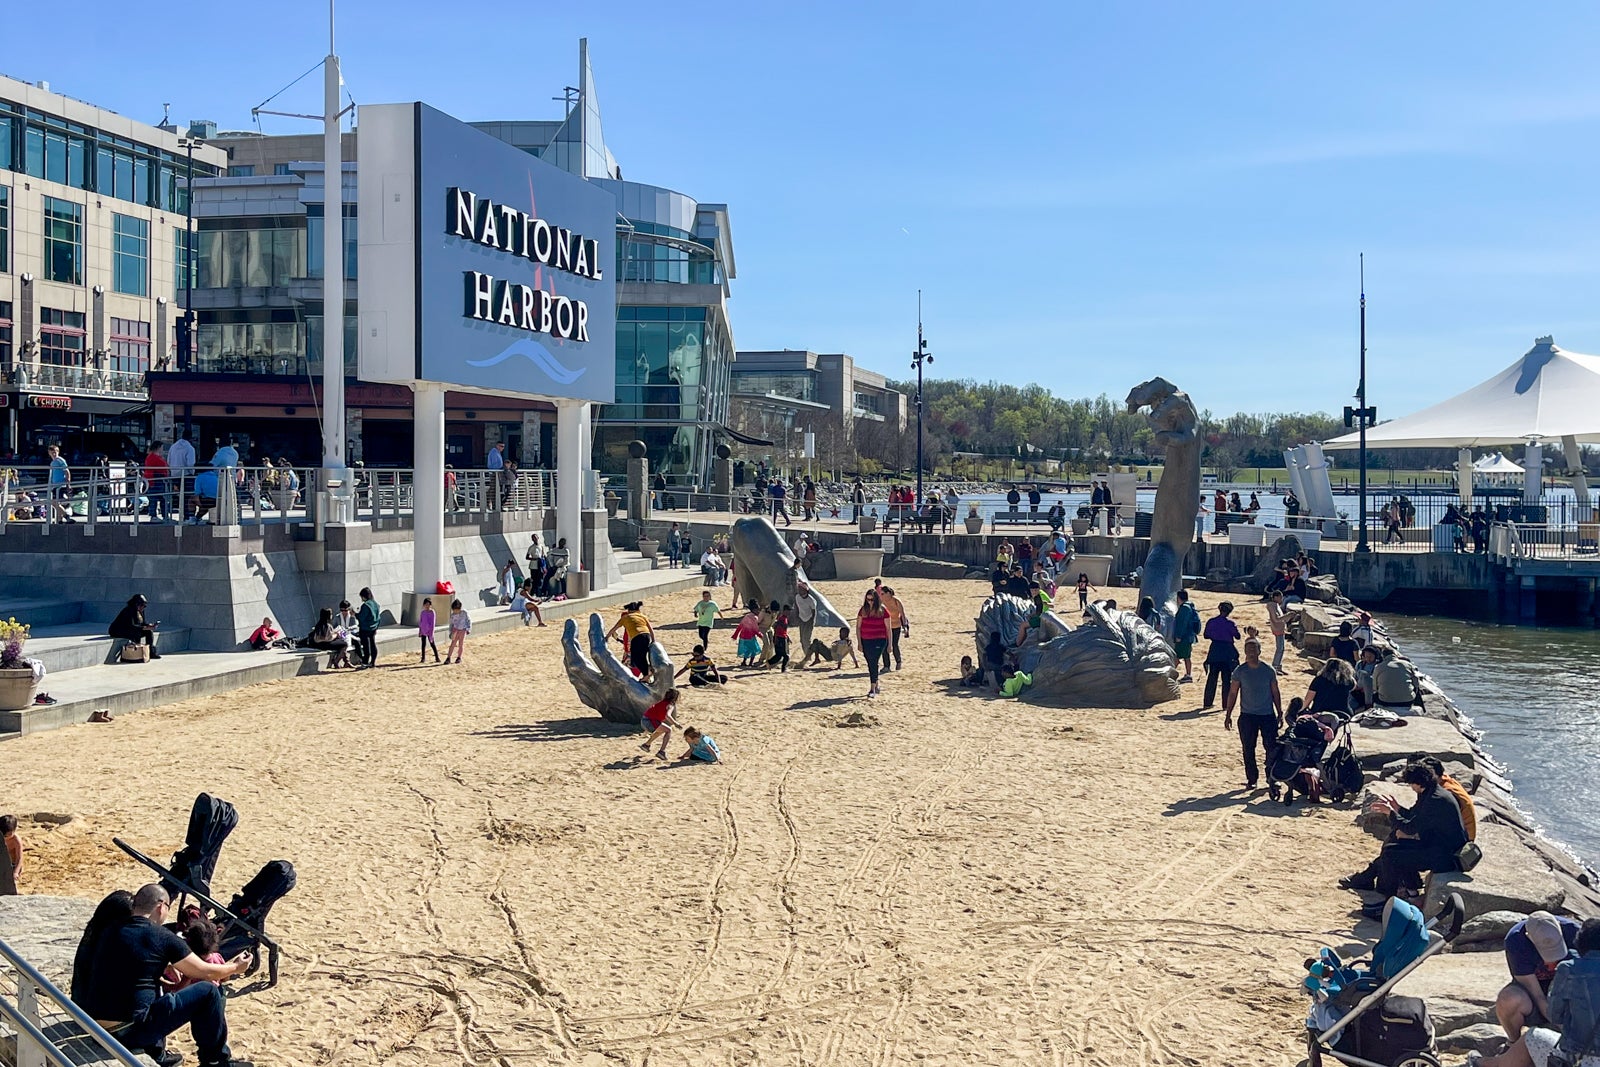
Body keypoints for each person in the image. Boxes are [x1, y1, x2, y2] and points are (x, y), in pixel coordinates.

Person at [78, 883, 251, 1067]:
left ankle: (157, 1052)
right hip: (129, 1032)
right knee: (208, 992)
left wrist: (163, 967)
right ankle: (216, 1061)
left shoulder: (111, 930)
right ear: (161, 906)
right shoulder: (161, 936)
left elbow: (131, 965)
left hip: (96, 1026)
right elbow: (204, 971)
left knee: (152, 991)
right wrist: (235, 967)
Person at [1340, 762, 1467, 917]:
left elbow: (1410, 828)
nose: (1410, 787)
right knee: (1393, 847)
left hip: (1445, 856)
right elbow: (1415, 817)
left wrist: (1391, 813)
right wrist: (1397, 808)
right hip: (1437, 846)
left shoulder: (1435, 800)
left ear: (1418, 783)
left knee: (1392, 855)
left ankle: (1389, 901)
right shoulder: (1431, 792)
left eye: (1411, 784)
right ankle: (1411, 895)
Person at [1477, 917, 1600, 1067]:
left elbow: (1555, 1014)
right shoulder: (1517, 940)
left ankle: (1486, 1064)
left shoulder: (1568, 968)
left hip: (1582, 1058)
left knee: (1532, 1037)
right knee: (1510, 998)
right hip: (1540, 997)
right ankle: (1511, 1045)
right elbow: (1535, 993)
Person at [1494, 911, 1585, 1044]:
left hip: (1569, 989)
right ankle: (1514, 1044)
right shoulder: (1516, 941)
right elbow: (1537, 995)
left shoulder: (1574, 931)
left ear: (1560, 928)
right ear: (1529, 937)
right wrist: (1564, 1029)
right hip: (1536, 991)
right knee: (1509, 999)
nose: (1551, 963)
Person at [1223, 638, 1283, 790]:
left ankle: (1272, 776)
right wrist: (1228, 713)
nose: (1250, 653)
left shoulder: (1268, 670)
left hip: (1267, 715)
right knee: (1248, 748)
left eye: (1253, 649)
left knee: (1271, 747)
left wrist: (1280, 711)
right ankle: (1252, 779)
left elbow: (1275, 692)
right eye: (1248, 650)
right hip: (1247, 716)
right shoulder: (1240, 671)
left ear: (1259, 651)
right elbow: (1233, 693)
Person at [1201, 602, 1241, 709]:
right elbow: (1237, 636)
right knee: (1226, 679)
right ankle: (1225, 704)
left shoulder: (1211, 621)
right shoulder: (1230, 623)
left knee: (1212, 678)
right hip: (1227, 652)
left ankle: (1207, 703)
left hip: (1215, 650)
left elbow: (1206, 635)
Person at [608, 602, 656, 681]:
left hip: (630, 651)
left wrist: (607, 637)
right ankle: (647, 676)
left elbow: (616, 631)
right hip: (643, 639)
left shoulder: (628, 623)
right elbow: (650, 630)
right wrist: (653, 640)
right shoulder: (639, 619)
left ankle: (647, 674)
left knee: (632, 667)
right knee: (641, 660)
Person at [857, 588, 892, 699]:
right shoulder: (863, 610)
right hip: (865, 639)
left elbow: (888, 628)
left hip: (879, 639)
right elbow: (858, 627)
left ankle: (872, 688)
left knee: (874, 661)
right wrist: (859, 642)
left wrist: (890, 644)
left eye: (872, 600)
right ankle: (876, 684)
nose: (870, 602)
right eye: (868, 600)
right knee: (870, 662)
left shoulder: (883, 611)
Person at [109, 595, 161, 659]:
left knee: (149, 632)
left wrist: (149, 625)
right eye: (142, 605)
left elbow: (142, 623)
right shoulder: (128, 611)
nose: (143, 607)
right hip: (118, 630)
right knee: (136, 633)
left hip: (131, 629)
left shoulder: (140, 611)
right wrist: (144, 628)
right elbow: (131, 626)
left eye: (144, 606)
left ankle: (151, 652)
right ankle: (137, 653)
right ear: (136, 604)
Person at [1372, 644, 1422, 709]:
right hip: (1407, 701)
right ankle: (1421, 708)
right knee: (1415, 689)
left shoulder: (1378, 667)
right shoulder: (1407, 664)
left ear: (1383, 656)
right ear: (1396, 655)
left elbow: (1374, 688)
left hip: (1385, 702)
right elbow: (1416, 684)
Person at [639, 689, 681, 761]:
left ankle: (646, 745)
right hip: (650, 722)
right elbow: (668, 716)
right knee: (668, 730)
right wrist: (675, 723)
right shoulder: (670, 705)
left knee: (661, 730)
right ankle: (662, 751)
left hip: (644, 720)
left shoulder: (662, 702)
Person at [1172, 589, 1202, 683]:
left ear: (1179, 598)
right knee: (1186, 656)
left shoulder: (1184, 608)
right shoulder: (1190, 606)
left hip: (1184, 637)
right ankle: (1188, 674)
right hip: (1190, 636)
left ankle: (1170, 674)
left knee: (1177, 656)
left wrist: (1178, 636)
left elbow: (1182, 623)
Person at [880, 585, 909, 671]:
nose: (881, 595)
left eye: (883, 593)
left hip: (895, 626)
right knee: (884, 645)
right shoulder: (881, 602)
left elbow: (902, 615)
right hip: (885, 626)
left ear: (888, 593)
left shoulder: (896, 601)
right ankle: (886, 666)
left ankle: (898, 661)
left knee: (894, 644)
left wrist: (905, 627)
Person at [142, 442, 171, 522]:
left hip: (156, 479)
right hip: (156, 478)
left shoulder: (151, 457)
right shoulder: (153, 457)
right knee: (157, 498)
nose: (162, 449)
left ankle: (161, 515)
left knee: (160, 498)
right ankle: (157, 516)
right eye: (161, 447)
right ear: (158, 447)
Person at [46, 444, 74, 523]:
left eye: (55, 452)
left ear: (58, 452)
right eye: (52, 453)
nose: (54, 454)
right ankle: (59, 520)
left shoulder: (60, 460)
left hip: (61, 485)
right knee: (57, 503)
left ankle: (66, 516)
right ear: (49, 453)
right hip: (55, 485)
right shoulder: (52, 462)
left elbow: (67, 471)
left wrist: (68, 484)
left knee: (54, 502)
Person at [1262, 590, 1287, 673]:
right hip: (1277, 629)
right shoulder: (1272, 606)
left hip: (1280, 629)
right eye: (1280, 597)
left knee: (1282, 648)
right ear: (1275, 597)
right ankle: (1275, 666)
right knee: (1280, 648)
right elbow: (1276, 619)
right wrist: (1288, 616)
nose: (1281, 599)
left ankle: (1278, 666)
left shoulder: (1276, 605)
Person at [355, 587, 381, 669]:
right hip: (373, 627)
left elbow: (361, 617)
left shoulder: (365, 606)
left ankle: (365, 662)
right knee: (373, 644)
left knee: (366, 646)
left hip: (365, 628)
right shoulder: (376, 604)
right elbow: (378, 617)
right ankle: (373, 662)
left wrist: (355, 614)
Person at [793, 579, 818, 654]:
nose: (800, 591)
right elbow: (797, 607)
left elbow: (814, 611)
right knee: (802, 640)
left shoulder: (811, 600)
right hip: (801, 619)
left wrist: (812, 622)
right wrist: (797, 616)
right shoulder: (797, 597)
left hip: (809, 620)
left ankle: (809, 655)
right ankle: (806, 654)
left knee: (806, 639)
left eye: (801, 589)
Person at [0, 814, 20, 896]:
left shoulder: (15, 840)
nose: (5, 838)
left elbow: (20, 858)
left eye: (7, 836)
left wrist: (16, 872)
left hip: (12, 866)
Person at [446, 599, 470, 664]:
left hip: (463, 630)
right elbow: (451, 624)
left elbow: (468, 620)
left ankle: (459, 657)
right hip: (455, 630)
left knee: (461, 644)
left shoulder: (464, 613)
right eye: (454, 610)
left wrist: (468, 629)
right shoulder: (452, 615)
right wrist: (451, 632)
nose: (455, 611)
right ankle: (448, 657)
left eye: (457, 610)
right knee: (453, 644)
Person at [417, 598, 441, 664]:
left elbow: (433, 623)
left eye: (428, 605)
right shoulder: (422, 612)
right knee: (423, 644)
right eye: (426, 605)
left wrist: (431, 633)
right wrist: (420, 631)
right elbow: (421, 622)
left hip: (429, 631)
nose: (427, 606)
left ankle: (437, 657)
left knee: (432, 644)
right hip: (423, 630)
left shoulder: (432, 612)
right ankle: (423, 658)